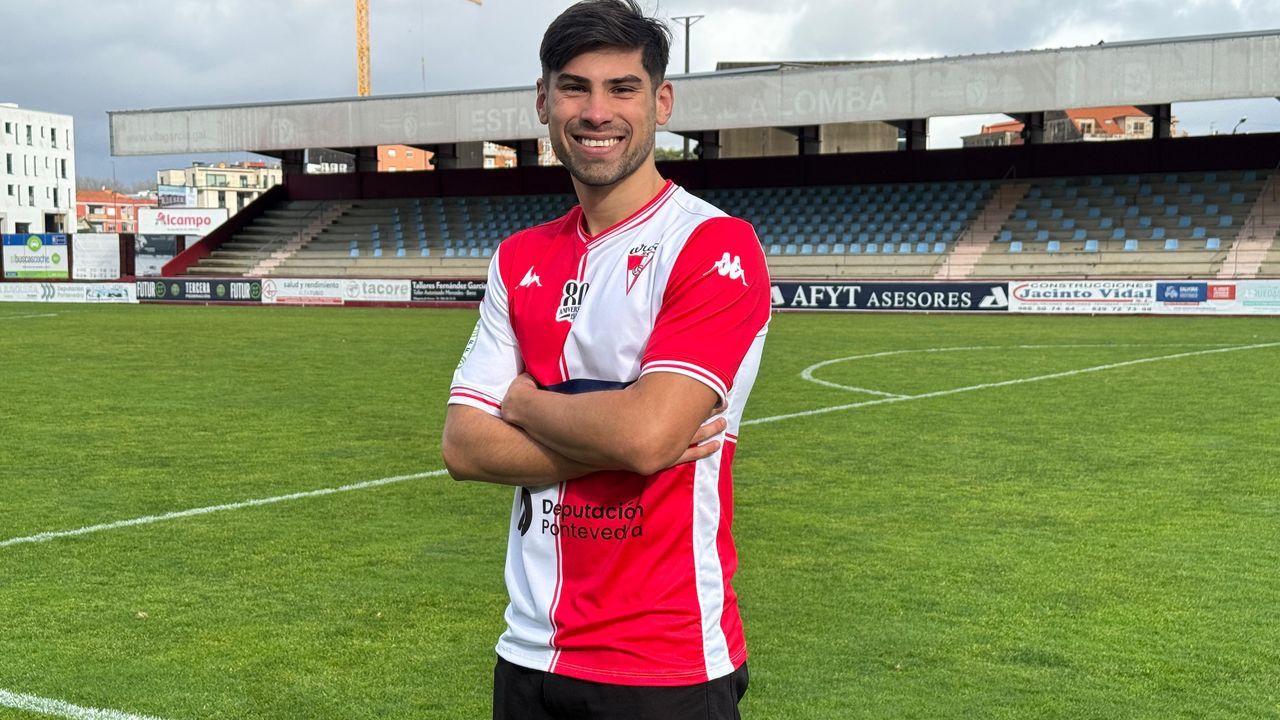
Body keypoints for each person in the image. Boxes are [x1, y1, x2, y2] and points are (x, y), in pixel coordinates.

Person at [441, 1, 770, 717]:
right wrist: (626, 437)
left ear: (661, 102)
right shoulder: (518, 258)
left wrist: (525, 404)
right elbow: (465, 446)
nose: (597, 111)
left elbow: (647, 436)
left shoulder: (716, 247)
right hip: (528, 653)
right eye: (573, 87)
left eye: (622, 88)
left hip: (666, 664)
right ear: (542, 102)